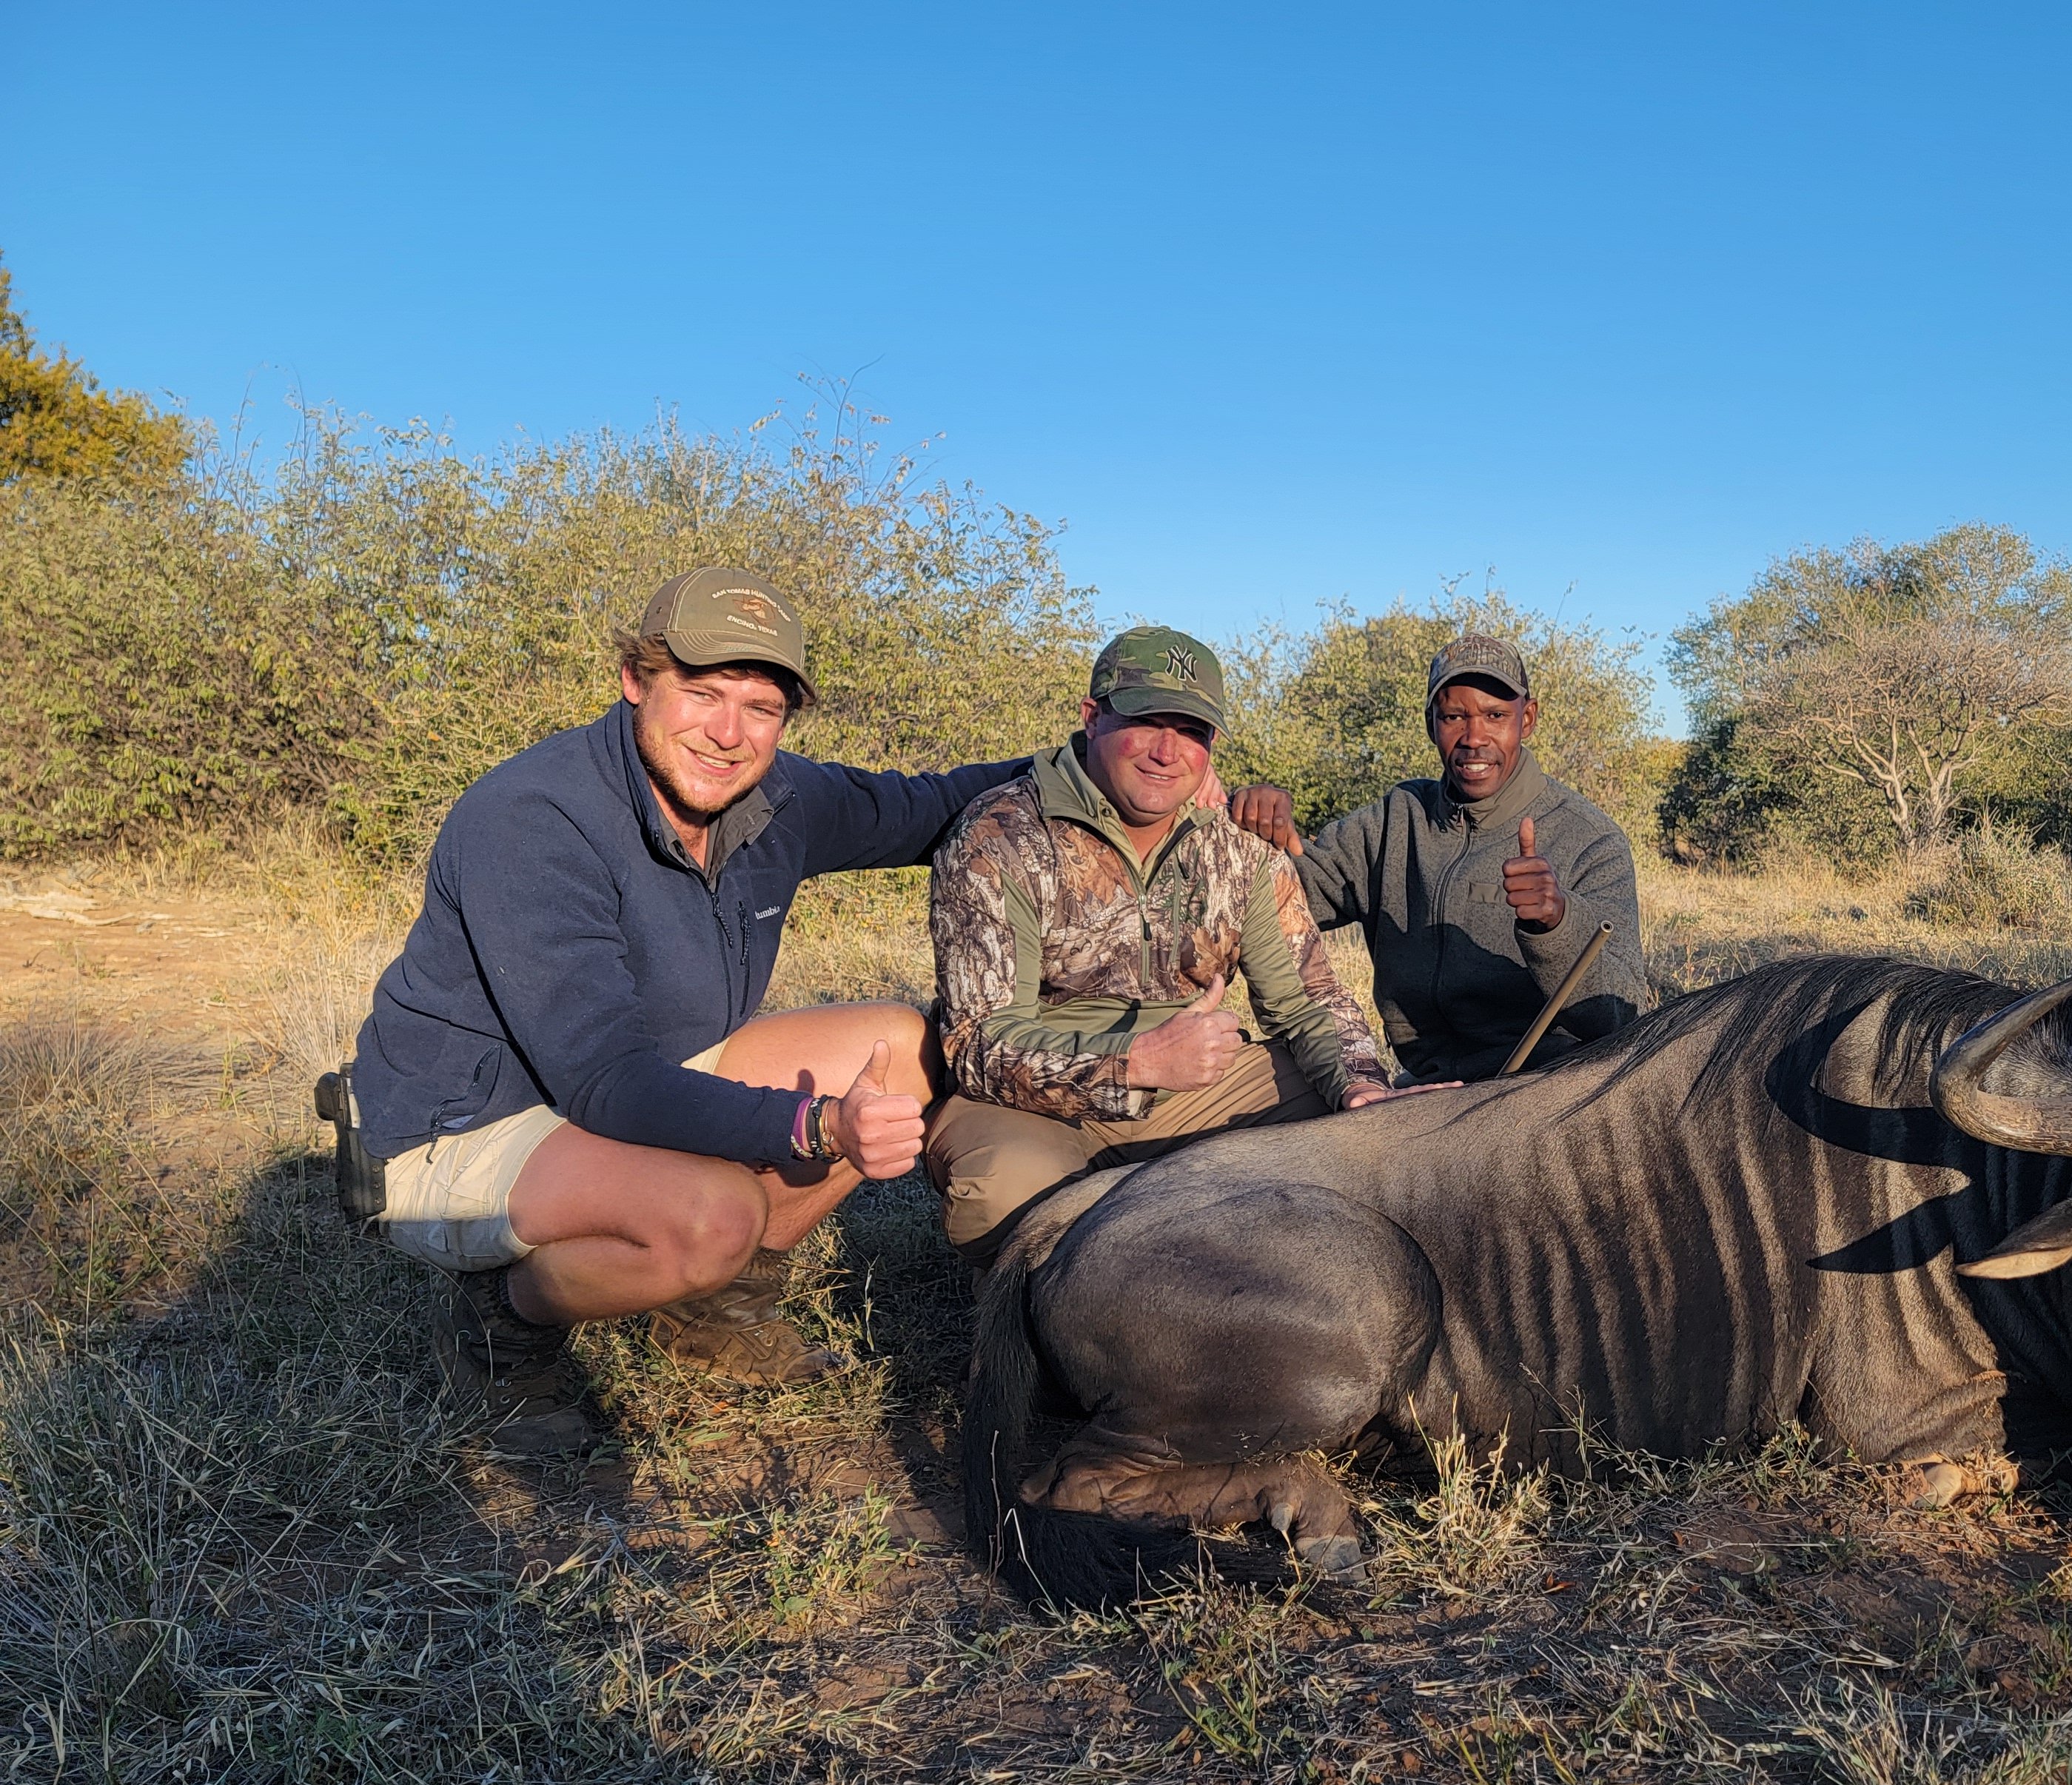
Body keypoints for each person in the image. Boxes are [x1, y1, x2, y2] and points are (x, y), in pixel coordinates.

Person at [338, 566, 1037, 1456]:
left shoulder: (781, 796)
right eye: (700, 693)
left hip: (630, 1079)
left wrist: (1119, 760)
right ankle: (500, 1332)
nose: (728, 733)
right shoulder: (533, 816)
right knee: (714, 1214)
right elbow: (605, 1082)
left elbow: (938, 803)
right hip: (465, 1119)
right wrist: (819, 1125)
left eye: (760, 707)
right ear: (636, 682)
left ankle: (717, 1311)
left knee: (901, 1046)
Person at [922, 624, 1411, 1257]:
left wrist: (1360, 1086)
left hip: (1193, 1083)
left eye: (1192, 732)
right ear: (1092, 718)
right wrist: (1138, 1065)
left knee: (1366, 1128)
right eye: (1147, 721)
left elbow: (1307, 999)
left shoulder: (1238, 849)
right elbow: (978, 1043)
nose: (1166, 751)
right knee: (1004, 1192)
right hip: (1033, 1104)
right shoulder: (998, 836)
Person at [1226, 632, 1646, 1081]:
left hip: (1547, 1088)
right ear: (1431, 724)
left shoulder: (1591, 839)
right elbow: (1289, 894)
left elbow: (1624, 1017)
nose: (1474, 737)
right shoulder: (1396, 818)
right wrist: (1252, 825)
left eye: (1495, 715)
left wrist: (1558, 923)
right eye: (1454, 716)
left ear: (1527, 720)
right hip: (1426, 1087)